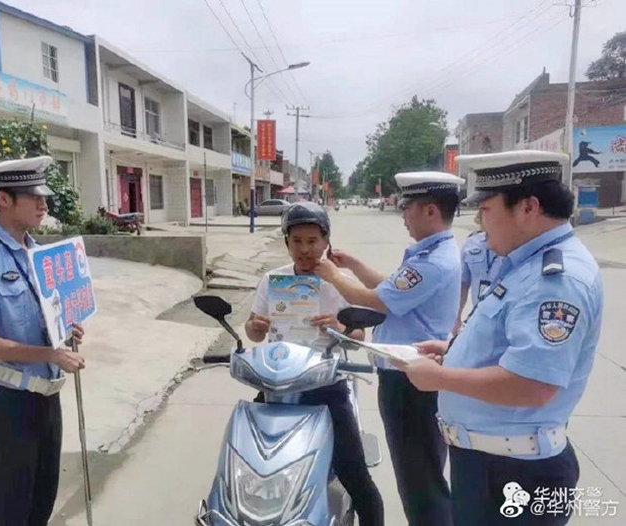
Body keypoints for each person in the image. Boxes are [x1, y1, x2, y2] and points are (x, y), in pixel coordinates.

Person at [402, 151, 603, 525]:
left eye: (486, 209)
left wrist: (441, 379)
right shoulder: (524, 263)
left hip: (515, 475)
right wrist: (454, 354)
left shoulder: (555, 279)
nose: (479, 221)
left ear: (528, 207)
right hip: (491, 465)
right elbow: (513, 347)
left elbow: (534, 384)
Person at [315, 172, 465, 526]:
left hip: (412, 384)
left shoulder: (433, 262)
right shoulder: (431, 253)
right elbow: (391, 289)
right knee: (419, 477)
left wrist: (334, 277)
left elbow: (378, 302)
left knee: (420, 482)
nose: (402, 213)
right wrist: (351, 265)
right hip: (410, 378)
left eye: (407, 206)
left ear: (430, 210)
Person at [0, 156, 86, 526]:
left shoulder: (42, 256)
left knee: (39, 505)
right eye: (33, 196)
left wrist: (67, 334)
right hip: (11, 406)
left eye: (43, 195)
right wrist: (50, 353)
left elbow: (48, 321)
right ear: (4, 199)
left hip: (48, 401)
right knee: (3, 512)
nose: (43, 204)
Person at [245, 201, 384, 526]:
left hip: (326, 386)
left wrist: (339, 327)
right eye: (297, 242)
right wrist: (257, 327)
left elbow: (361, 333)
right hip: (279, 385)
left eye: (312, 241)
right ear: (287, 244)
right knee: (253, 464)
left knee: (355, 475)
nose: (304, 250)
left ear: (326, 242)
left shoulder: (339, 281)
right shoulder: (272, 280)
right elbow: (252, 331)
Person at [453, 209, 503, 335]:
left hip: (501, 320)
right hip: (476, 316)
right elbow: (463, 284)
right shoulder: (471, 243)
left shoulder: (514, 246)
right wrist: (456, 317)